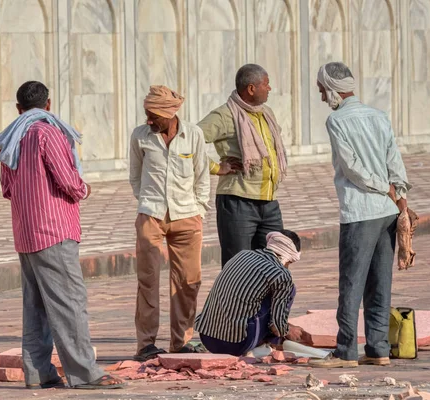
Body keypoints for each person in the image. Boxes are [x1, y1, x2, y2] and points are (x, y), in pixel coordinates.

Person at [0, 81, 123, 389]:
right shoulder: (47, 133)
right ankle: (84, 373)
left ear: (18, 109)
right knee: (69, 303)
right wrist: (85, 188)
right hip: (54, 230)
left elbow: (7, 189)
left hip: (26, 234)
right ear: (48, 105)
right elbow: (69, 181)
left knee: (36, 307)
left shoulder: (12, 136)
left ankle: (38, 373)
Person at [309, 62, 411, 368]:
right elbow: (395, 160)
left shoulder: (337, 121)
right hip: (387, 212)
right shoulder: (378, 116)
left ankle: (346, 350)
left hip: (361, 210)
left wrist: (386, 189)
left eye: (322, 90)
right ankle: (378, 349)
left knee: (352, 283)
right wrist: (400, 197)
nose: (321, 96)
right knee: (380, 280)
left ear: (332, 89)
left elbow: (352, 168)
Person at [129, 85, 211, 361]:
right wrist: (147, 204)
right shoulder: (141, 136)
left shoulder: (193, 135)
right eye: (147, 114)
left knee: (187, 281)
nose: (150, 121)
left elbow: (202, 176)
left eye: (155, 116)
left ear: (171, 113)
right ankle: (146, 344)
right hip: (151, 216)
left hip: (187, 215)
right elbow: (136, 177)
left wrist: (198, 209)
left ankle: (182, 341)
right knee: (148, 281)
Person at [198, 64, 288, 267]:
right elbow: (186, 143)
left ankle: (265, 301)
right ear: (251, 88)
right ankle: (235, 301)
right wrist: (216, 168)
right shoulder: (225, 116)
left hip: (269, 202)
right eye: (266, 84)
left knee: (274, 264)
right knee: (238, 269)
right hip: (238, 202)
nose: (270, 88)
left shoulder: (266, 113)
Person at [195, 230, 305, 356]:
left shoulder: (242, 255)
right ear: (290, 258)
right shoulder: (281, 274)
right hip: (236, 344)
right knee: (289, 289)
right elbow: (277, 327)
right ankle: (270, 343)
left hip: (208, 339)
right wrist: (288, 330)